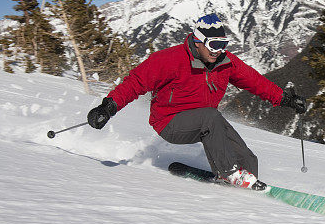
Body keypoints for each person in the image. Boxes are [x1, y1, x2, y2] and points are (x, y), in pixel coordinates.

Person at [86, 13, 306, 190]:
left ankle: (235, 181)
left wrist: (285, 99)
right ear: (198, 41)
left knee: (248, 162)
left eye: (223, 44)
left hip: (205, 122)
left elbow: (256, 82)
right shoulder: (169, 60)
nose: (218, 50)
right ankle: (228, 173)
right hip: (170, 122)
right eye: (213, 44)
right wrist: (109, 107)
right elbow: (135, 83)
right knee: (211, 119)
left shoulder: (225, 61)